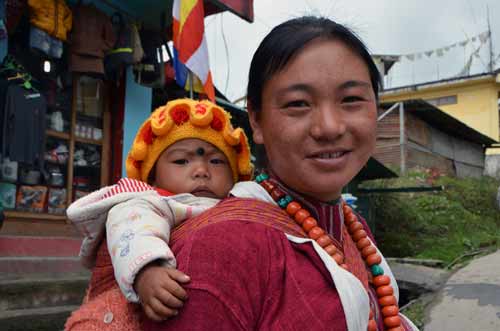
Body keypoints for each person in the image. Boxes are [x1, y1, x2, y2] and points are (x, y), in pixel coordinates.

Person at [141, 16, 419, 331]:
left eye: (351, 100)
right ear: (256, 121)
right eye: (298, 103)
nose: (329, 127)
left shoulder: (352, 228)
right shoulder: (220, 247)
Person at [64, 98, 261, 330]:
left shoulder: (240, 203)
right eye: (181, 160)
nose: (201, 171)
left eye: (216, 161)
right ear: (153, 175)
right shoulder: (149, 201)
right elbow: (133, 230)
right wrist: (147, 273)